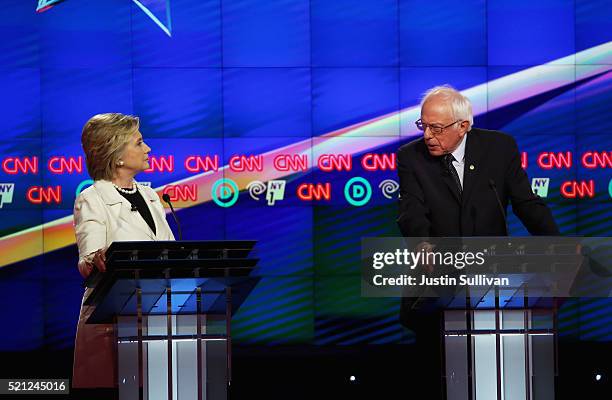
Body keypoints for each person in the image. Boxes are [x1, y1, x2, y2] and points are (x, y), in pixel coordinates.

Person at [396, 85, 559, 398]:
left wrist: (559, 245)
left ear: (463, 126)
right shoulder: (411, 157)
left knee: (495, 379)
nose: (428, 135)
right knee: (441, 380)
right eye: (423, 125)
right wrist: (421, 243)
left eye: (437, 127)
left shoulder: (499, 148)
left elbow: (526, 203)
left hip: (494, 284)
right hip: (438, 286)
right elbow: (411, 209)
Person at [72, 113, 175, 388]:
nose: (148, 149)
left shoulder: (152, 197)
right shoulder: (92, 199)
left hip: (156, 316)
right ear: (117, 155)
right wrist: (97, 258)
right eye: (139, 143)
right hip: (114, 321)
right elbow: (87, 261)